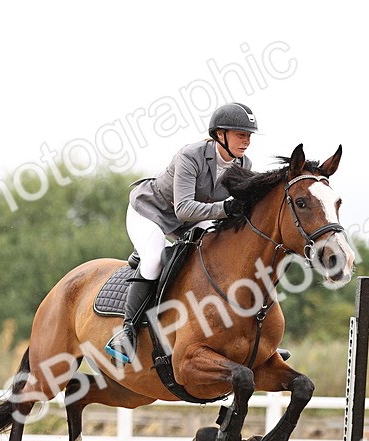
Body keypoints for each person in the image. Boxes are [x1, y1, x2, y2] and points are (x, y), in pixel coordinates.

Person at [104, 102, 257, 364]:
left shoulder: (243, 163)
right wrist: (225, 207)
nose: (246, 141)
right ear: (220, 134)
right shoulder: (191, 156)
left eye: (249, 136)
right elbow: (184, 208)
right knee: (153, 260)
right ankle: (127, 331)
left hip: (188, 221)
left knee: (221, 253)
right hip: (152, 212)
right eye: (240, 134)